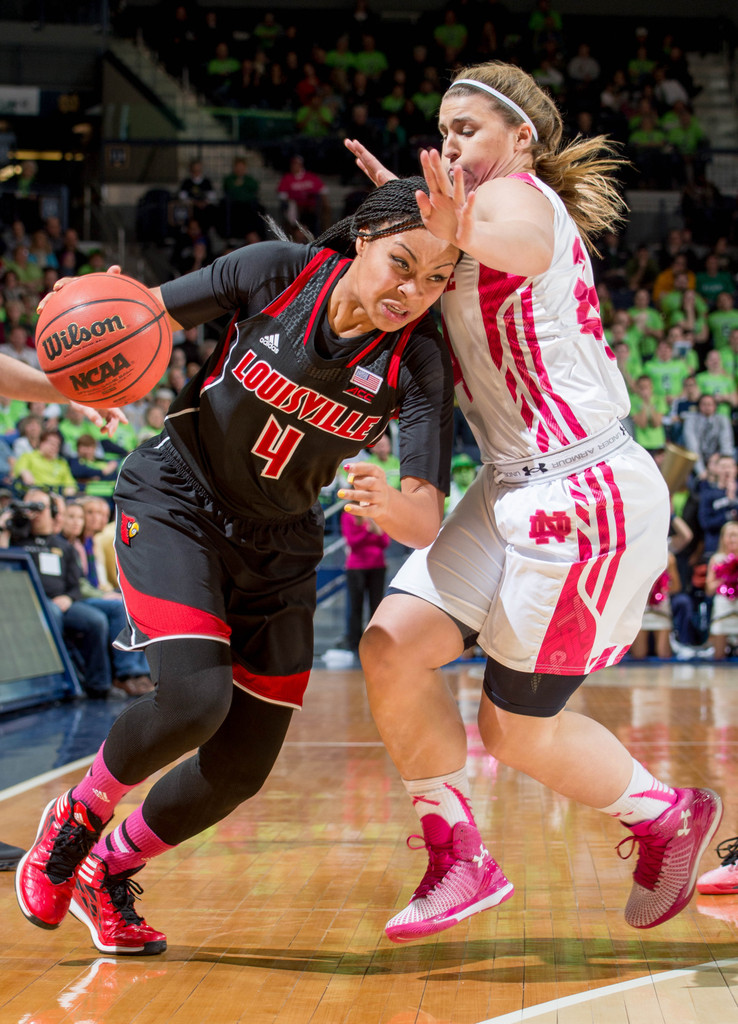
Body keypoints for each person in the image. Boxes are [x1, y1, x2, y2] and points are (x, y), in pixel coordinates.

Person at [14, 177, 460, 956]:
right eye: (401, 265)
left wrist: (393, 503)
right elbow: (138, 313)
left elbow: (425, 517)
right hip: (176, 498)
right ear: (361, 241)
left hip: (281, 542)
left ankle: (108, 871)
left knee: (242, 766)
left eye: (435, 280)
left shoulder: (419, 360)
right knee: (194, 700)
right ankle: (78, 817)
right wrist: (84, 318)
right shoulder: (276, 271)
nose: (411, 292)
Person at [345, 58, 721, 945]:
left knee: (513, 731)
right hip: (507, 477)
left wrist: (440, 210)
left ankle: (664, 812)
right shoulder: (455, 221)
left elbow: (510, 242)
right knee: (391, 646)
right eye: (442, 133)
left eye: (466, 129)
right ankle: (457, 855)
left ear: (520, 140)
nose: (449, 145)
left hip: (583, 489)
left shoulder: (520, 204)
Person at [340, 508, 391, 653]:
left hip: (377, 566)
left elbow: (385, 542)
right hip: (356, 567)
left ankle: (374, 643)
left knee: (376, 607)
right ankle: (354, 645)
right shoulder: (348, 516)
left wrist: (373, 528)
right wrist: (368, 530)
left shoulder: (376, 514)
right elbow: (352, 542)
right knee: (356, 606)